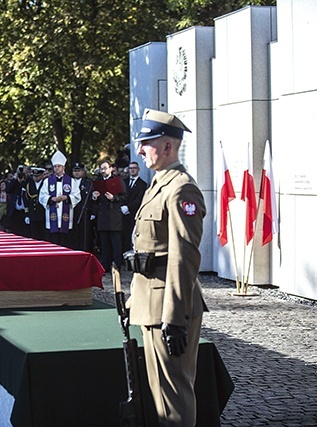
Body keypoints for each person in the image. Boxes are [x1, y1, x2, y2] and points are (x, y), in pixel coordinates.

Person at [127, 109, 207, 427]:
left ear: (168, 147)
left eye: (146, 142)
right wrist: (135, 300)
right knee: (161, 397)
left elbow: (182, 258)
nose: (140, 150)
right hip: (152, 303)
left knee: (173, 399)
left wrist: (174, 319)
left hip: (169, 309)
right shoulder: (159, 184)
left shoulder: (181, 189)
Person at [38, 150, 81, 247]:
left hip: (65, 214)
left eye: (59, 166)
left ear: (63, 167)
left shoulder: (71, 181)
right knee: (53, 241)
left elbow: (77, 196)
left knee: (65, 241)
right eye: (55, 166)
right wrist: (51, 199)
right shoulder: (47, 181)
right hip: (52, 214)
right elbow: (42, 196)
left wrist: (66, 197)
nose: (56, 168)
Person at [91, 159, 127, 272]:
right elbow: (94, 201)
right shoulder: (98, 181)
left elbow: (124, 197)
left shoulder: (117, 180)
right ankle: (105, 266)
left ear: (111, 169)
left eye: (105, 168)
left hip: (114, 215)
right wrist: (94, 197)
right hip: (102, 216)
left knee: (116, 243)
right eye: (101, 168)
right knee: (104, 243)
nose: (103, 171)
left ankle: (117, 265)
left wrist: (114, 198)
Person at [121, 161, 148, 252]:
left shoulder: (142, 184)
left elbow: (139, 199)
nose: (132, 170)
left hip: (133, 213)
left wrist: (128, 207)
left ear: (138, 170)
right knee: (123, 237)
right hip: (122, 214)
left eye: (134, 168)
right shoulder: (124, 182)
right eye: (130, 168)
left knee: (131, 236)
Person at [71, 162, 93, 251]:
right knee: (73, 235)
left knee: (85, 235)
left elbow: (91, 199)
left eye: (79, 171)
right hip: (72, 211)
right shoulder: (69, 182)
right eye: (75, 171)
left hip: (84, 212)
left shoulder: (88, 183)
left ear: (83, 172)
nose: (77, 173)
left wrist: (93, 212)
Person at [24, 167, 47, 241]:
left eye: (37, 176)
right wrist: (27, 215)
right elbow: (26, 201)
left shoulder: (45, 184)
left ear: (42, 175)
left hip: (43, 214)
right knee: (34, 236)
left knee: (44, 235)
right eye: (34, 176)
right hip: (33, 214)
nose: (35, 178)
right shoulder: (29, 185)